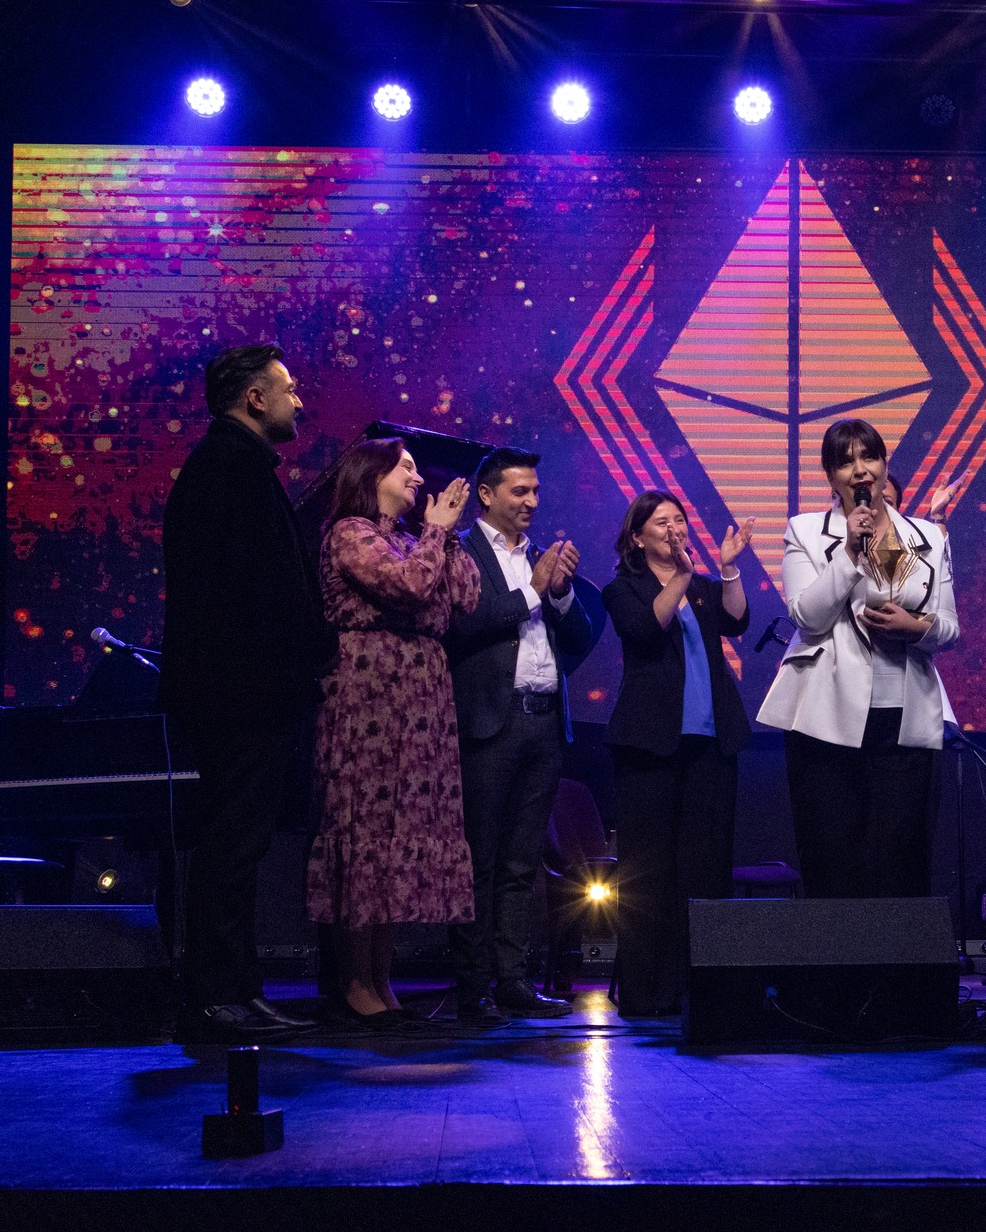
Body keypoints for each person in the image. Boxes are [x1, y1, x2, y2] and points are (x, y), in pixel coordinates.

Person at [159, 344, 333, 1040]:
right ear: (255, 398)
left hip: (245, 690)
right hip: (239, 694)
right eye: (288, 388)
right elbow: (249, 591)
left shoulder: (238, 467)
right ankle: (214, 994)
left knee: (242, 844)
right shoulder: (227, 470)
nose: (299, 400)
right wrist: (310, 645)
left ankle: (236, 989)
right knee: (231, 843)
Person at [306, 439, 482, 1028]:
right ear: (371, 474)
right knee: (366, 830)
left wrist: (446, 537)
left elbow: (467, 597)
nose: (417, 477)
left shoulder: (414, 538)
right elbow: (407, 587)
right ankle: (354, 983)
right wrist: (435, 534)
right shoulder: (349, 533)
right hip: (370, 697)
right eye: (405, 467)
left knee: (399, 836)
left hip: (421, 703)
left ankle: (381, 979)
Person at [758, 419, 960, 898]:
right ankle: (835, 951)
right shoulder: (807, 530)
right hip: (826, 720)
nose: (860, 470)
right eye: (845, 461)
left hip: (904, 717)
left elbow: (949, 626)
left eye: (869, 456)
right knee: (833, 863)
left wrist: (916, 628)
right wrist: (849, 551)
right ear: (831, 476)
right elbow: (808, 616)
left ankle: (894, 952)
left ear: (884, 464)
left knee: (899, 864)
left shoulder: (927, 536)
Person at [443, 447, 605, 1024]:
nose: (532, 501)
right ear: (487, 495)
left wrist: (560, 592)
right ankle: (473, 986)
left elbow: (580, 637)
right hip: (491, 719)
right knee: (480, 858)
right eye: (520, 491)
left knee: (522, 861)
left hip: (544, 722)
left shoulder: (539, 557)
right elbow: (463, 624)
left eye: (536, 491)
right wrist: (534, 591)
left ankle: (513, 980)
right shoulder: (460, 551)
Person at [602, 493, 754, 1016]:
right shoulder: (624, 588)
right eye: (661, 521)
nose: (675, 528)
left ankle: (703, 988)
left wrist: (728, 568)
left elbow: (737, 621)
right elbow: (646, 628)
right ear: (637, 537)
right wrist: (683, 577)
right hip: (649, 745)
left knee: (706, 867)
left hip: (710, 742)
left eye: (680, 519)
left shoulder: (704, 587)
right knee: (649, 871)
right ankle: (648, 992)